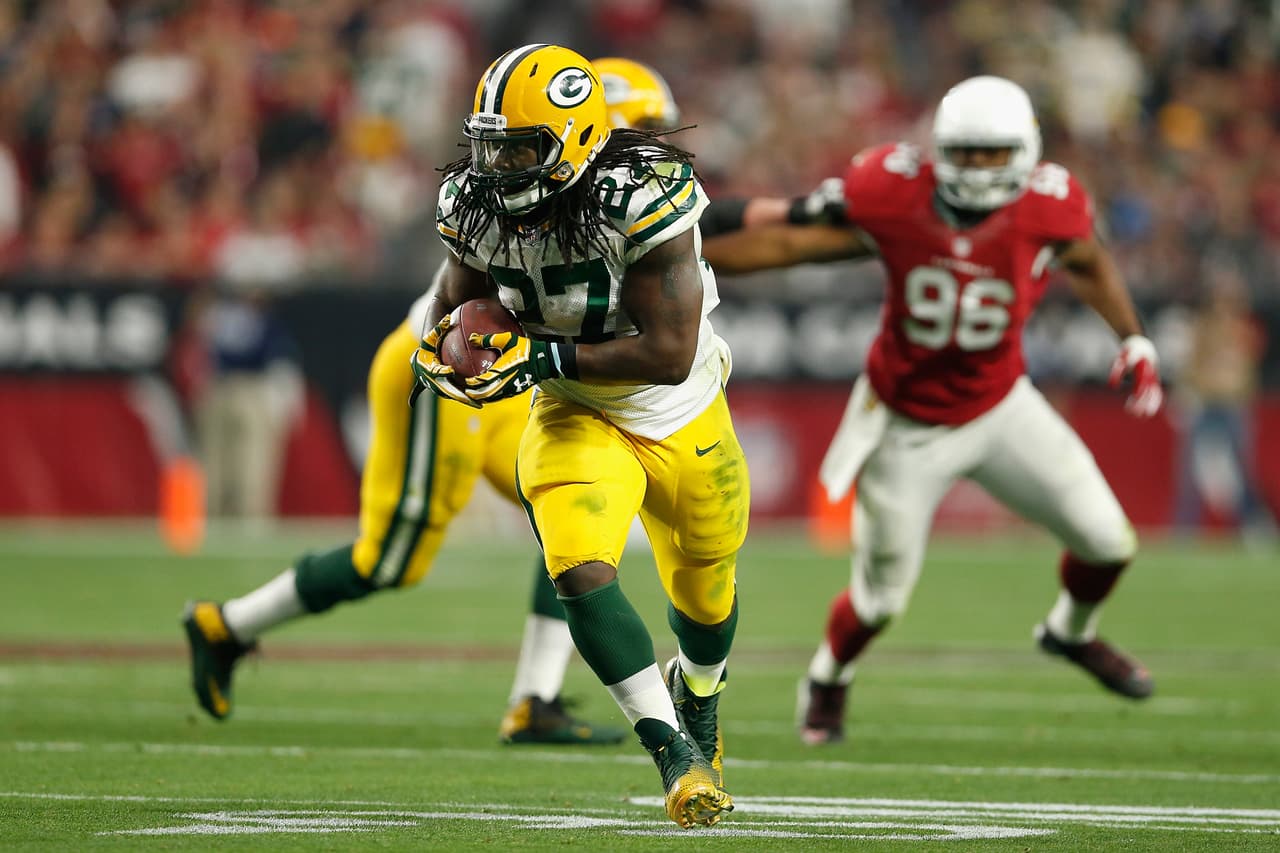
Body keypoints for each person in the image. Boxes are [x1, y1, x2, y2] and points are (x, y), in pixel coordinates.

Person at [699, 75, 1164, 746]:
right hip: (905, 423)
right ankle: (828, 675)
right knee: (880, 597)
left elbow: (1087, 259)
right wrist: (674, 251)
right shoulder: (893, 193)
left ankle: (1070, 631)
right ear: (939, 149)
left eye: (991, 154)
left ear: (1025, 153)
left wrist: (1134, 335)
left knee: (1109, 541)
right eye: (965, 152)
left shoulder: (1051, 206)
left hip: (1003, 404)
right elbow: (789, 239)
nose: (976, 168)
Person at [413, 44, 747, 829]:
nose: (499, 167)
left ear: (579, 137)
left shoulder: (646, 193)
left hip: (680, 406)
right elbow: (458, 296)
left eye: (521, 148)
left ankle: (698, 694)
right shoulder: (472, 198)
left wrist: (539, 351)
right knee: (579, 568)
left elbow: (666, 355)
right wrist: (443, 347)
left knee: (706, 593)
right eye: (491, 145)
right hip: (572, 408)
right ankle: (673, 753)